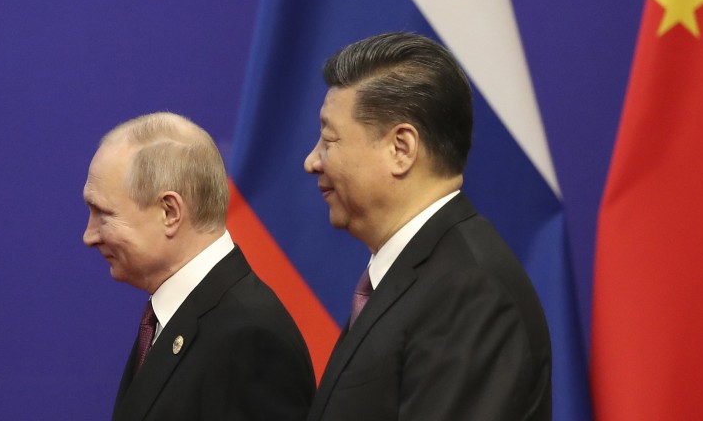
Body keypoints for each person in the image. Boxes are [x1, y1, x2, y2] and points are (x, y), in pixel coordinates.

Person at [303, 32, 552, 420]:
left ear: (401, 149)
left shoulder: (470, 291)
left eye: (328, 140)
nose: (312, 162)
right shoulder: (419, 275)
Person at [83, 112, 315, 421]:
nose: (89, 236)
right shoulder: (176, 316)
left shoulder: (250, 339)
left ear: (169, 212)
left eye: (104, 214)